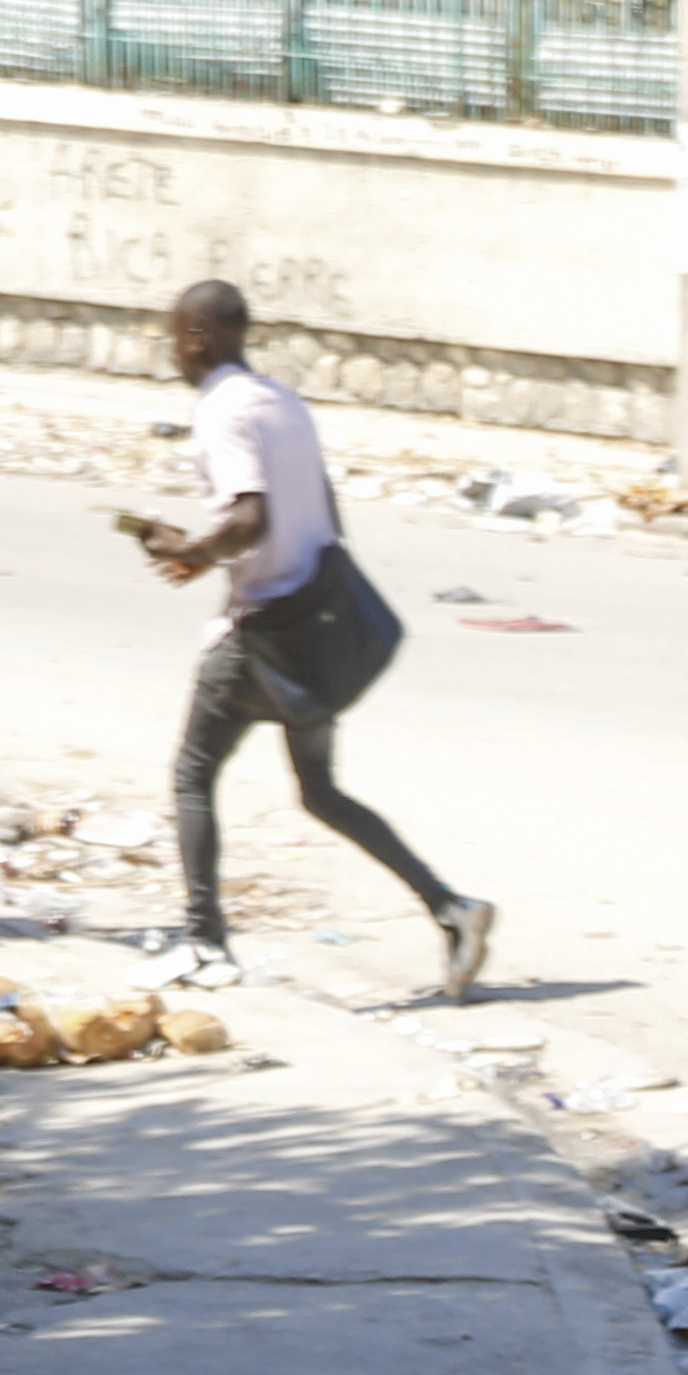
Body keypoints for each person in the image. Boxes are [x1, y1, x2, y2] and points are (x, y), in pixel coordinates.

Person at [140, 285, 490, 1004]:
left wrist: (189, 552)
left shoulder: (221, 410)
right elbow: (318, 515)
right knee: (321, 791)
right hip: (315, 628)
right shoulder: (282, 403)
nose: (172, 349)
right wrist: (212, 554)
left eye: (176, 335)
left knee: (193, 773)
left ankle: (204, 938)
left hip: (262, 632)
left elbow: (251, 519)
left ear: (199, 336)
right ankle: (452, 908)